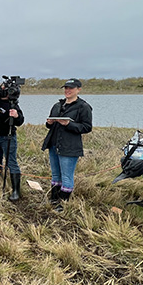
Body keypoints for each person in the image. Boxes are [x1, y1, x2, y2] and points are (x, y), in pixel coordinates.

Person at [41, 78, 93, 211]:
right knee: (55, 175)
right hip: (53, 144)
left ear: (78, 89)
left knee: (66, 176)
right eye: (66, 88)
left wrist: (69, 124)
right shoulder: (57, 105)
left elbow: (87, 127)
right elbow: (49, 124)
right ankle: (53, 200)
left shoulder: (83, 107)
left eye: (71, 88)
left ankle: (63, 204)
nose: (67, 91)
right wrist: (49, 123)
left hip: (69, 147)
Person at [0, 86, 25, 201]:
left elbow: (20, 121)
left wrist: (16, 116)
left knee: (11, 163)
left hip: (8, 138)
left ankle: (16, 191)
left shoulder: (12, 104)